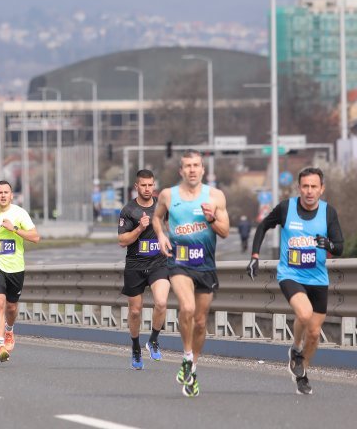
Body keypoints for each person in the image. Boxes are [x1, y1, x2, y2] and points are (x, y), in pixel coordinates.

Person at [246, 167, 344, 396]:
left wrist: (328, 245)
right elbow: (263, 226)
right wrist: (255, 256)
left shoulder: (329, 213)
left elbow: (339, 247)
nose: (309, 191)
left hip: (318, 278)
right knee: (304, 314)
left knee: (314, 332)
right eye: (305, 186)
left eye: (314, 187)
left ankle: (302, 372)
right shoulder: (286, 208)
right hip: (290, 274)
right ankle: (296, 350)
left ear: (322, 189)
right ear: (299, 188)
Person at [154, 149, 229, 398]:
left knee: (200, 321)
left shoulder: (215, 196)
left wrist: (211, 219)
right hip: (179, 263)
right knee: (186, 308)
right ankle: (186, 356)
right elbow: (157, 217)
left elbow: (225, 231)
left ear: (203, 169)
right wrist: (162, 235)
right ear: (181, 171)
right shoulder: (168, 195)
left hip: (206, 266)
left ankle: (192, 368)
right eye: (187, 166)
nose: (192, 170)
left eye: (196, 165)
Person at [0, 180, 40, 363]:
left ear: (11, 195)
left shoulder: (20, 213)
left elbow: (36, 237)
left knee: (11, 307)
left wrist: (14, 228)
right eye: (0, 192)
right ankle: (0, 345)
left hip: (16, 267)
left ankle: (9, 330)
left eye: (6, 192)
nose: (3, 195)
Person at [117, 169, 170, 369]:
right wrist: (139, 228)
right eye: (143, 185)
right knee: (136, 311)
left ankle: (154, 340)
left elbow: (171, 228)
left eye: (150, 185)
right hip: (135, 265)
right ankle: (135, 347)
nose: (147, 189)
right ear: (136, 187)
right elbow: (122, 241)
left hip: (158, 263)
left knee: (162, 302)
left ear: (154, 185)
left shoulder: (161, 207)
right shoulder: (128, 210)